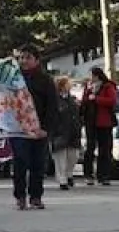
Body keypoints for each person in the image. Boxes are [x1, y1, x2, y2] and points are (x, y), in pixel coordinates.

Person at [12, 45, 58, 209]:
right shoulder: (13, 79)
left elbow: (52, 106)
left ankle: (36, 196)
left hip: (39, 130)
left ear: (36, 60)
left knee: (38, 164)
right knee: (20, 163)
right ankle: (20, 196)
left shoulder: (45, 80)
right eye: (21, 58)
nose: (24, 61)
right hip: (18, 129)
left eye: (28, 57)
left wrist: (45, 128)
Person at [80, 67, 118, 186]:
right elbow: (84, 102)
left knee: (104, 150)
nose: (90, 78)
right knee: (89, 148)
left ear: (97, 76)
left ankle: (104, 175)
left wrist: (97, 99)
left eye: (92, 75)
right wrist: (88, 93)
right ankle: (88, 175)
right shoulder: (88, 86)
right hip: (90, 122)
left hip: (104, 122)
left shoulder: (108, 86)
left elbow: (112, 101)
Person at [51, 76, 81, 190]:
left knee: (73, 156)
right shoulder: (54, 100)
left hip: (73, 131)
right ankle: (62, 179)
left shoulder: (72, 99)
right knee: (60, 158)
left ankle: (69, 174)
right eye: (68, 84)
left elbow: (78, 114)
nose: (70, 86)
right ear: (62, 86)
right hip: (60, 132)